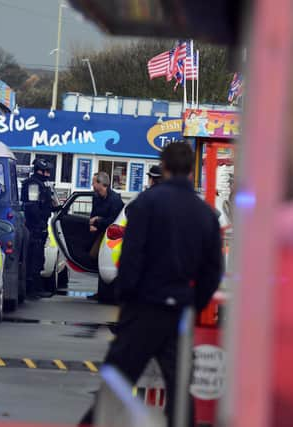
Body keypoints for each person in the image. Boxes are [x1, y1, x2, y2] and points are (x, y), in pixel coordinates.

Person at [79, 142, 223, 427]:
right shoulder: (205, 214)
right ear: (191, 170)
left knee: (118, 377)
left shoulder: (145, 204)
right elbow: (213, 269)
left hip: (144, 306)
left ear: (165, 167)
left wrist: (126, 297)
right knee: (180, 386)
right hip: (179, 310)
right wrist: (194, 301)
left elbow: (131, 256)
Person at [21, 158, 57, 299]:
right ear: (38, 170)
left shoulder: (42, 184)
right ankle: (32, 288)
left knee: (38, 257)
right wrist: (39, 223)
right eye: (46, 171)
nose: (48, 174)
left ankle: (36, 286)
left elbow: (47, 203)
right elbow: (33, 208)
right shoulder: (33, 185)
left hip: (40, 225)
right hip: (34, 227)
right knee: (34, 258)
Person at [89, 171, 124, 256]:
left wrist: (97, 220)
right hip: (96, 231)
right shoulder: (96, 197)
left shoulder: (115, 200)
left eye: (93, 183)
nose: (92, 185)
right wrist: (91, 224)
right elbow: (92, 214)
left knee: (93, 255)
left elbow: (113, 221)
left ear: (100, 184)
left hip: (110, 235)